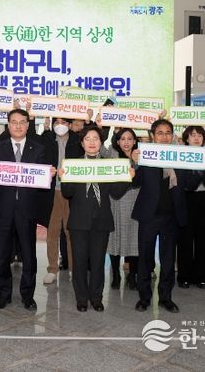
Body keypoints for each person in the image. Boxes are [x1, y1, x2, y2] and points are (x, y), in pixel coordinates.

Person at [0, 108, 51, 311]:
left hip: (27, 209)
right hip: (3, 209)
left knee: (29, 254)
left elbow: (42, 179)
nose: (18, 126)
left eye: (22, 122)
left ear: (28, 125)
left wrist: (48, 174)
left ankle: (28, 295)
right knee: (2, 254)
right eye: (14, 122)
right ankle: (4, 294)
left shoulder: (38, 149)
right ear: (8, 125)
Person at [59, 126, 133, 312]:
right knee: (79, 262)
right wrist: (64, 178)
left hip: (101, 220)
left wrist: (127, 178)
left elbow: (116, 193)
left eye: (96, 138)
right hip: (79, 221)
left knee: (98, 261)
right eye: (88, 139)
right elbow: (67, 193)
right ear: (82, 143)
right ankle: (82, 298)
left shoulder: (109, 165)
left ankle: (96, 298)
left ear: (101, 142)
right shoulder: (73, 165)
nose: (92, 142)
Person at [131, 119, 199, 313]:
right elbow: (135, 182)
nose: (164, 136)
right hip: (149, 215)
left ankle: (166, 298)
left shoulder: (180, 156)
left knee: (168, 260)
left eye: (168, 132)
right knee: (145, 259)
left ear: (172, 135)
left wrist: (200, 165)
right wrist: (134, 163)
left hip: (172, 216)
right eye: (160, 133)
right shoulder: (145, 155)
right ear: (153, 136)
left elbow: (191, 184)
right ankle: (144, 298)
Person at [41, 117, 82, 285]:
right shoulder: (46, 139)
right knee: (52, 232)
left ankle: (73, 269)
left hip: (72, 192)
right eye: (56, 122)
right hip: (52, 192)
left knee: (71, 231)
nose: (60, 126)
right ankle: (52, 269)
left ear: (70, 125)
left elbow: (95, 141)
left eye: (64, 122)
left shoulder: (78, 140)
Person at [177, 126, 205, 289]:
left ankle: (200, 277)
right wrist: (200, 170)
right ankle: (183, 276)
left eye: (200, 135)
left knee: (202, 240)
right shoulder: (181, 156)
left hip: (203, 199)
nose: (197, 138)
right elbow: (188, 184)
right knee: (185, 239)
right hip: (186, 199)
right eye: (193, 135)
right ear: (187, 139)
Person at [107, 128, 140, 290]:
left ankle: (132, 275)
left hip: (135, 201)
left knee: (134, 240)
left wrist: (135, 162)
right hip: (115, 202)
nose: (126, 142)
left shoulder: (141, 157)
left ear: (135, 141)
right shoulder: (111, 156)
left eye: (130, 138)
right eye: (123, 139)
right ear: (118, 141)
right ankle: (116, 274)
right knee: (114, 238)